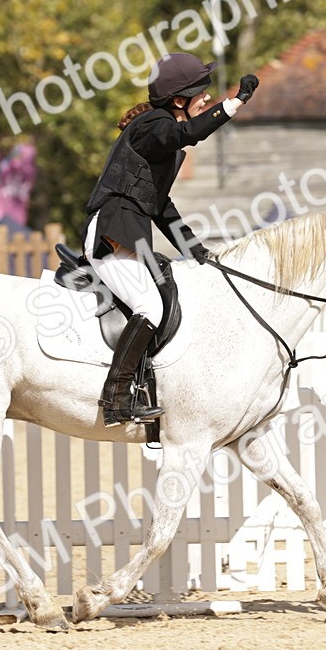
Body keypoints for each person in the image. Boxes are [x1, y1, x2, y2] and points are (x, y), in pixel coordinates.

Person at [82, 52, 259, 426]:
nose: (207, 98)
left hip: (128, 231)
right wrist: (234, 103)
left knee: (162, 299)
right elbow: (188, 133)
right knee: (150, 306)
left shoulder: (163, 142)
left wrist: (197, 253)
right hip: (112, 232)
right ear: (179, 101)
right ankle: (115, 399)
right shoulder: (154, 125)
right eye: (202, 93)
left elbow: (161, 207)